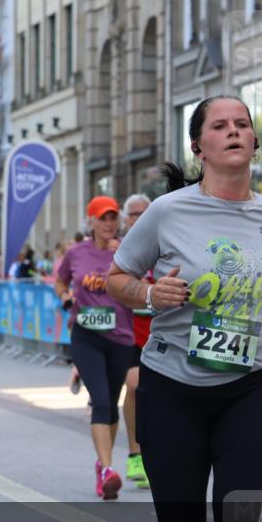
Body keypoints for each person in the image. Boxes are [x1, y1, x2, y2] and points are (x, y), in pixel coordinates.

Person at [108, 95, 262, 522]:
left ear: (254, 143)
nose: (234, 131)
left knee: (239, 516)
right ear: (198, 145)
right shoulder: (168, 212)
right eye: (221, 125)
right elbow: (118, 277)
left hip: (250, 385)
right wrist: (148, 294)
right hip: (172, 386)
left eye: (243, 124)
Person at [54, 195, 135, 500]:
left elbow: (143, 282)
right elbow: (60, 282)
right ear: (91, 222)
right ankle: (108, 470)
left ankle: (103, 466)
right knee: (100, 401)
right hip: (86, 336)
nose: (109, 223)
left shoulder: (129, 251)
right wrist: (65, 298)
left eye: (113, 217)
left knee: (111, 404)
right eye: (102, 217)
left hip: (121, 337)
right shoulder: (76, 253)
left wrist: (127, 260)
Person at [120, 193, 153, 490]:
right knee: (133, 386)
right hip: (129, 334)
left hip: (165, 334)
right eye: (133, 214)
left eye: (145, 212)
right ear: (125, 219)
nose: (140, 217)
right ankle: (135, 453)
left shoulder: (165, 244)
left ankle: (160, 454)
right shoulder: (119, 251)